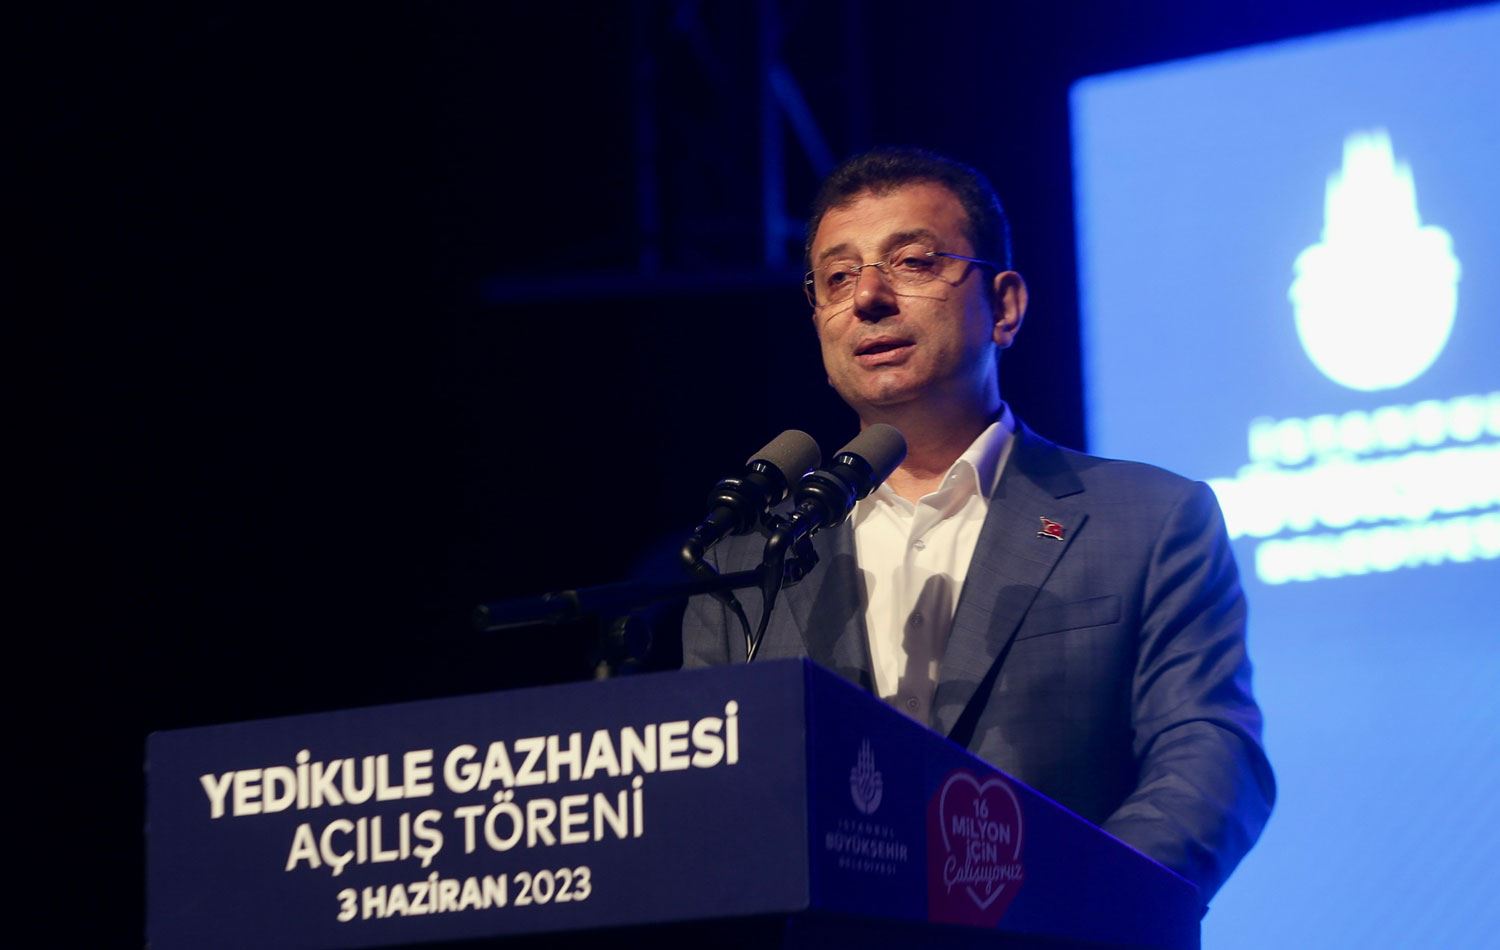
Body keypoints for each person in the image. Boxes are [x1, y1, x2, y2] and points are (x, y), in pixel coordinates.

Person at [681, 147, 1273, 904]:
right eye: (837, 278)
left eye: (913, 262)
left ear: (1005, 306)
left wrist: (1073, 914)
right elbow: (709, 802)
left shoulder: (1151, 521)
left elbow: (1210, 758)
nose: (868, 297)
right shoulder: (748, 559)